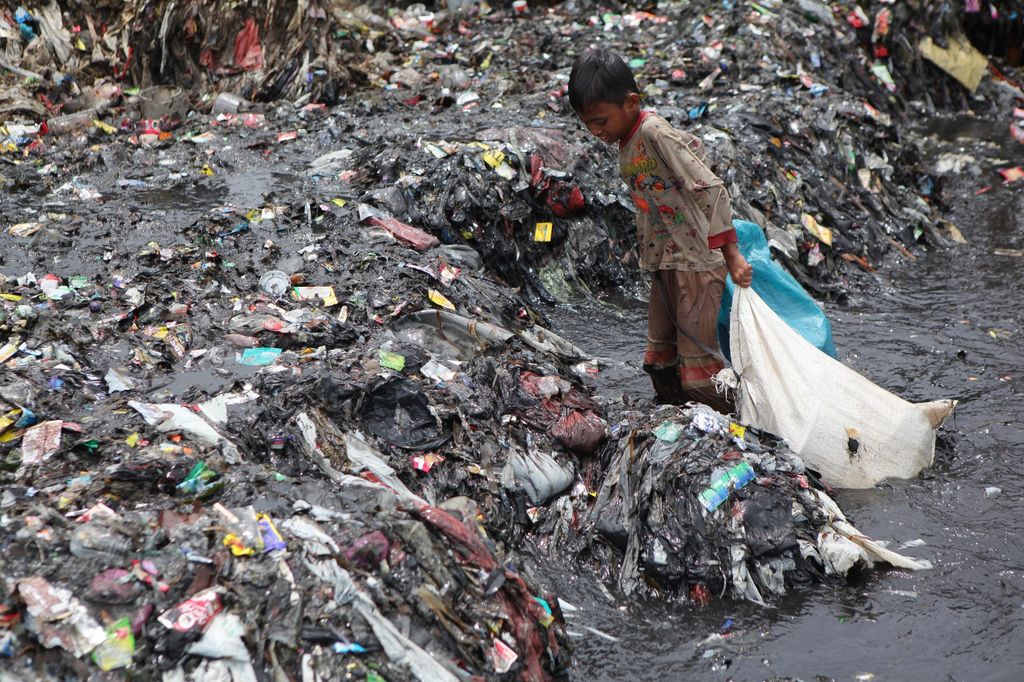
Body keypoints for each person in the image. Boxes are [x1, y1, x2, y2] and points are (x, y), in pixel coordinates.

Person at [568, 48, 753, 413]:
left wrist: (731, 256)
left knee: (700, 377)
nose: (595, 131)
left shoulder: (653, 132)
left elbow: (711, 188)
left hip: (696, 262)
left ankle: (750, 420)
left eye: (601, 121)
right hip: (665, 260)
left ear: (631, 103)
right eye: (587, 123)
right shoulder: (626, 137)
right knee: (659, 362)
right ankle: (678, 424)